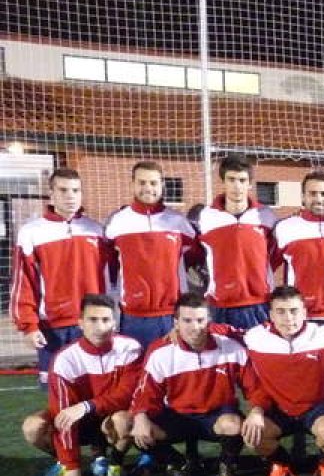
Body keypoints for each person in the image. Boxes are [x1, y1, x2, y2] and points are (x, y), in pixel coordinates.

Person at [21, 294, 141, 476]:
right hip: (78, 424)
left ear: (114, 323)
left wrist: (86, 406)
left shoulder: (130, 348)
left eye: (105, 320)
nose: (99, 326)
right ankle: (62, 463)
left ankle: (114, 466)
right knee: (32, 427)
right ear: (80, 323)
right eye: (92, 320)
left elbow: (126, 396)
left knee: (126, 419)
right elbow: (63, 414)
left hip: (109, 420)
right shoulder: (64, 359)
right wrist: (72, 467)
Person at [128, 292, 246, 476]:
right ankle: (174, 462)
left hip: (216, 415)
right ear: (176, 323)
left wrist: (258, 411)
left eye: (200, 320)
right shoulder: (160, 351)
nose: (195, 327)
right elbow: (145, 393)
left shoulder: (229, 345)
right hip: (176, 416)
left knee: (236, 425)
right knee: (137, 429)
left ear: (209, 320)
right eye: (187, 321)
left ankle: (227, 464)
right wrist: (140, 417)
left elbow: (252, 338)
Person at [10, 167, 112, 387]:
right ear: (51, 194)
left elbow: (111, 277)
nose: (70, 196)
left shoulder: (97, 231)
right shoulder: (32, 232)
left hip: (93, 325)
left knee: (95, 392)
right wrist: (29, 325)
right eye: (63, 190)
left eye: (75, 190)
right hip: (53, 327)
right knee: (57, 396)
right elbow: (23, 282)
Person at [240, 286, 324, 476]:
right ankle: (281, 463)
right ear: (270, 315)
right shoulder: (254, 337)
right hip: (278, 408)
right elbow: (218, 331)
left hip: (317, 407)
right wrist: (256, 411)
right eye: (281, 311)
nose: (288, 318)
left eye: (294, 311)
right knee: (253, 434)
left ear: (305, 312)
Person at [106, 161, 199, 347]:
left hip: (173, 314)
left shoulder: (178, 222)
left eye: (153, 183)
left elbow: (195, 257)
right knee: (136, 372)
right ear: (132, 184)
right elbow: (110, 266)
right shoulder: (117, 222)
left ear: (162, 185)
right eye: (142, 183)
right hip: (133, 317)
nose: (148, 188)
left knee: (174, 372)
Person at [196, 154, 277, 329]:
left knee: (257, 355)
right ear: (223, 182)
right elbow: (196, 255)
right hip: (221, 304)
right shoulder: (207, 217)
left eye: (242, 180)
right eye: (231, 179)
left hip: (260, 303)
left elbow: (274, 255)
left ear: (249, 183)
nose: (237, 186)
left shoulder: (266, 216)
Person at [273, 170, 324, 327]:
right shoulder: (285, 229)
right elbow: (267, 270)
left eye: (323, 193)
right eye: (313, 194)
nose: (319, 199)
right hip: (299, 317)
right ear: (303, 196)